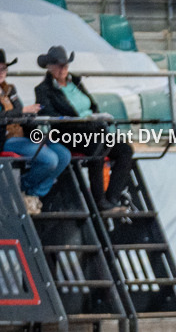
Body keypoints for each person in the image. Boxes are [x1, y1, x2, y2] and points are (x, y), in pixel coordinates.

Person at [34, 46, 133, 213]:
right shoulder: (43, 90)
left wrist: (96, 118)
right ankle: (99, 201)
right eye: (59, 65)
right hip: (69, 133)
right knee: (97, 147)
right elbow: (49, 115)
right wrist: (80, 121)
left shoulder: (77, 82)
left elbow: (92, 105)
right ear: (49, 67)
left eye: (65, 65)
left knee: (125, 149)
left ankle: (112, 198)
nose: (63, 69)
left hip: (92, 129)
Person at [0, 49, 71, 214]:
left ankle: (33, 193)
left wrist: (25, 115)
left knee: (63, 155)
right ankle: (24, 188)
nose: (2, 73)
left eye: (4, 69)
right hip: (6, 139)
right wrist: (22, 112)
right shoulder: (10, 92)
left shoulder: (9, 89)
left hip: (23, 135)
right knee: (49, 159)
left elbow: (17, 112)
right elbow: (11, 114)